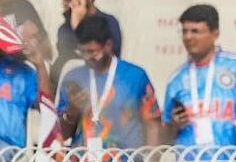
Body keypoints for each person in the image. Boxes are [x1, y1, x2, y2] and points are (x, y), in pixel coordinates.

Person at [162, 5, 236, 162]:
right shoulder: (176, 80)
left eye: (195, 31)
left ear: (215, 33)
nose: (188, 37)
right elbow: (165, 136)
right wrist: (174, 125)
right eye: (184, 31)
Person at [57, 16, 161, 150]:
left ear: (108, 45)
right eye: (82, 52)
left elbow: (153, 124)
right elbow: (63, 135)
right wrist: (72, 110)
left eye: (92, 52)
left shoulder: (134, 76)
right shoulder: (72, 78)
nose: (87, 58)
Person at [53, 0, 122, 83]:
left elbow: (109, 59)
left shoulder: (109, 23)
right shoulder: (65, 29)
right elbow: (69, 63)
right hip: (76, 86)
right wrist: (76, 27)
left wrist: (78, 26)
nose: (64, 3)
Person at [0, 19, 41, 148]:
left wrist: (38, 63)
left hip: (12, 148)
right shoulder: (27, 72)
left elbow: (39, 106)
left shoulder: (27, 72)